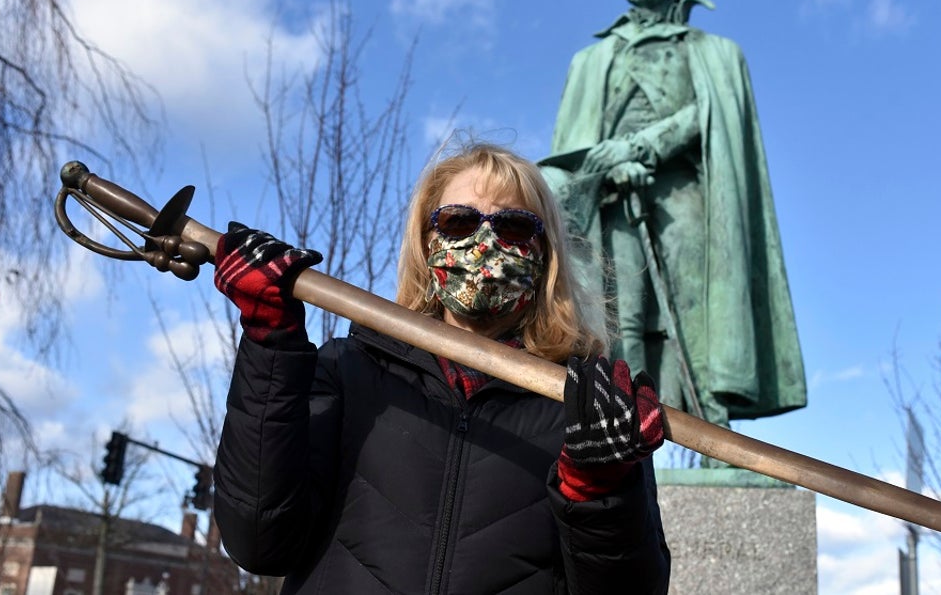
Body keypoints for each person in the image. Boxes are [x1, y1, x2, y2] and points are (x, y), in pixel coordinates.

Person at [210, 143, 671, 593]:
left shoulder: (586, 415)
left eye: (513, 226)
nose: (484, 242)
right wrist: (270, 343)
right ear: (427, 242)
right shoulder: (348, 371)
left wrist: (599, 492)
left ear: (544, 254)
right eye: (458, 221)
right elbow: (258, 542)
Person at [544, 0, 806, 433]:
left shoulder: (710, 52)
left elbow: (709, 114)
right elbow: (578, 138)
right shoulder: (594, 58)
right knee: (621, 309)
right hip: (611, 196)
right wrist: (606, 168)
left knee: (697, 306)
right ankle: (621, 425)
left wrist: (642, 148)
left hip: (685, 196)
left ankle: (716, 426)